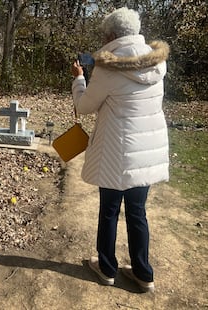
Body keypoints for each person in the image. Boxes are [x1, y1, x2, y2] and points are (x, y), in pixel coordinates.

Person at [71, 7, 170, 292]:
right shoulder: (157, 64)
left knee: (110, 211)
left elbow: (84, 106)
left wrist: (79, 78)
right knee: (137, 212)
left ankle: (106, 268)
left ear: (112, 35)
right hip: (146, 152)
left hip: (116, 153)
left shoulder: (107, 67)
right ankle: (143, 273)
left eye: (105, 34)